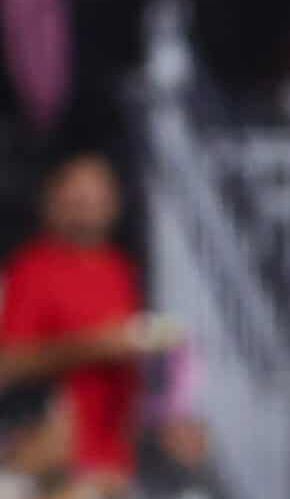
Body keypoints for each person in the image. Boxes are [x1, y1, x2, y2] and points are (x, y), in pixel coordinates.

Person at [0, 151, 181, 482]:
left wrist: (170, 417)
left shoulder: (120, 269)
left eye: (96, 198)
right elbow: (9, 363)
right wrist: (94, 346)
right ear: (52, 201)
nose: (87, 209)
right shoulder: (31, 269)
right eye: (77, 199)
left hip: (115, 460)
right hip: (52, 465)